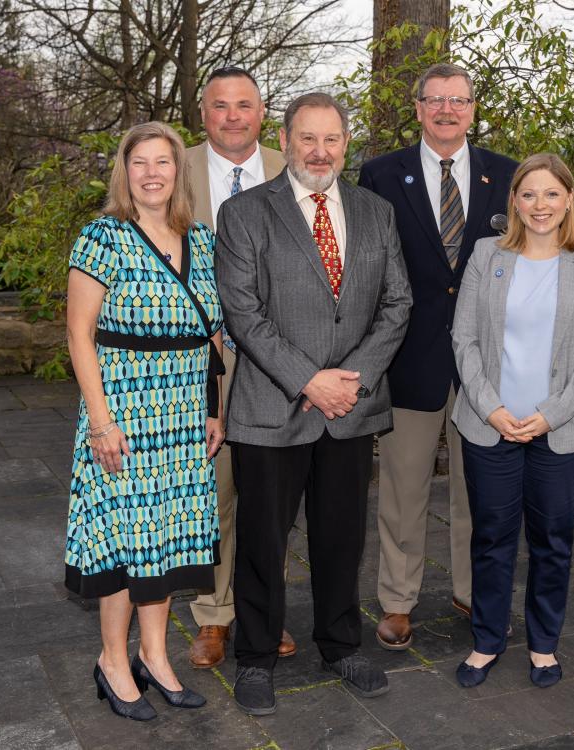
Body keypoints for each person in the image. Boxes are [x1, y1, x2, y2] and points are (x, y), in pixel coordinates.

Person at [215, 92, 411, 716]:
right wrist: (310, 380)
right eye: (307, 139)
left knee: (341, 538)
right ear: (286, 139)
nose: (319, 151)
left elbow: (397, 303)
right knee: (261, 542)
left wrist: (350, 380)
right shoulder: (245, 213)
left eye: (331, 139)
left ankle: (341, 643)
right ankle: (255, 658)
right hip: (273, 406)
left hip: (351, 409)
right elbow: (243, 312)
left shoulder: (375, 211)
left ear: (346, 144)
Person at [65, 121, 223, 720]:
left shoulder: (199, 239)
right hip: (124, 415)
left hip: (183, 417)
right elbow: (79, 334)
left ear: (178, 172)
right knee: (126, 542)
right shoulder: (102, 236)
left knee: (165, 542)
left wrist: (214, 408)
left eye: (164, 162)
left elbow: (208, 333)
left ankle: (155, 655)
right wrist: (100, 421)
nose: (153, 173)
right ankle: (112, 660)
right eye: (141, 163)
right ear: (124, 172)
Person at [358, 63, 517, 650]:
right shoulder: (378, 175)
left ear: (474, 108)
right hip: (409, 358)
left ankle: (475, 592)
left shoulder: (506, 175)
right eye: (435, 101)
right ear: (418, 108)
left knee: (482, 488)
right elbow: (366, 269)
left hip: (489, 365)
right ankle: (398, 601)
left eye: (458, 100)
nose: (447, 110)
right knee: (403, 487)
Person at [451, 153, 574, 688]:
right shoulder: (486, 255)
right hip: (489, 424)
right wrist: (492, 409)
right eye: (528, 194)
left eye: (550, 194)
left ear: (569, 199)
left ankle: (544, 645)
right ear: (514, 202)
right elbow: (465, 340)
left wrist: (547, 416)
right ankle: (486, 641)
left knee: (552, 540)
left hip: (561, 430)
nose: (539, 205)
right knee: (493, 538)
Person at [184, 65, 296, 669]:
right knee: (213, 490)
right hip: (199, 359)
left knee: (269, 494)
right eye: (220, 106)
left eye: (244, 105)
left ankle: (265, 609)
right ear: (203, 114)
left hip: (277, 354)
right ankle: (213, 615)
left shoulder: (292, 167)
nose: (233, 116)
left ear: (262, 111)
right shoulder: (170, 167)